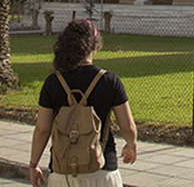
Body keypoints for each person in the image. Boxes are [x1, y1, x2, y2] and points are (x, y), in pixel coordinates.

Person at [29, 19, 137, 187]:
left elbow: (42, 129)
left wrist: (33, 164)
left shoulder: (53, 82)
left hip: (63, 169)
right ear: (94, 46)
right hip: (102, 168)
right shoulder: (109, 81)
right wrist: (131, 145)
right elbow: (127, 126)